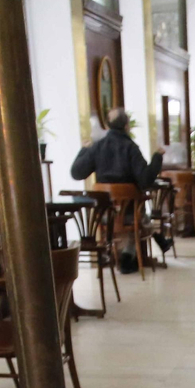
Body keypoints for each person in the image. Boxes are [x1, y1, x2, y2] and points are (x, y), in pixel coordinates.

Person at [70, 107, 170, 270]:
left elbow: (76, 173)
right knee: (137, 209)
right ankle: (131, 255)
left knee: (129, 209)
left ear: (107, 127)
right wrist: (157, 157)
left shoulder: (97, 148)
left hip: (105, 216)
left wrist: (84, 150)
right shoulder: (131, 148)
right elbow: (145, 180)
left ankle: (125, 255)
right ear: (127, 126)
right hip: (130, 216)